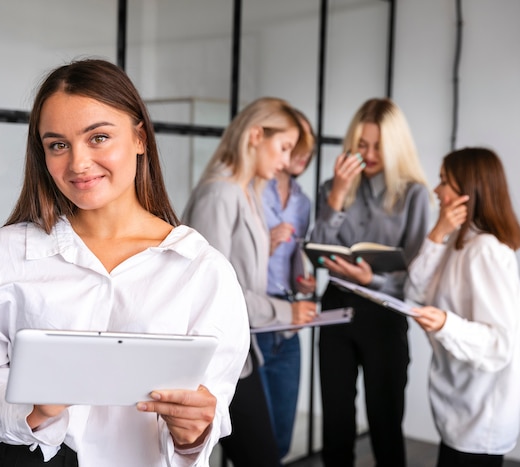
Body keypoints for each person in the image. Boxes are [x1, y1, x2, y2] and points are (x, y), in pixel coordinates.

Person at [0, 58, 250, 467]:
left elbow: (210, 412)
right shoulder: (8, 252)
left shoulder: (201, 269)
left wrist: (193, 432)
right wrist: (35, 410)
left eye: (99, 137)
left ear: (140, 138)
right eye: (58, 145)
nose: (78, 164)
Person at [182, 97, 318, 466]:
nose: (287, 161)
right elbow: (215, 296)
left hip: (241, 353)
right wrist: (286, 311)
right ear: (256, 135)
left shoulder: (247, 191)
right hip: (217, 359)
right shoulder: (220, 193)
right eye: (284, 147)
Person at [309, 97, 430, 467]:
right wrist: (338, 195)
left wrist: (372, 279)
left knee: (385, 419)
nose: (369, 153)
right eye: (362, 144)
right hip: (337, 306)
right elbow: (320, 246)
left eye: (378, 145)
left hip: (385, 312)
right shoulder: (334, 186)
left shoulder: (413, 194)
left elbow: (417, 272)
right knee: (337, 420)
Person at [404, 147, 520, 467]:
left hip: (480, 415)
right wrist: (437, 233)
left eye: (444, 181)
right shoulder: (459, 241)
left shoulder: (486, 251)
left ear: (468, 193)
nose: (436, 189)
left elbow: (500, 344)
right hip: (458, 409)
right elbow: (414, 290)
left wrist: (445, 323)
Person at [258, 108, 317, 460]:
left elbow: (295, 258)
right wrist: (267, 241)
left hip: (289, 317)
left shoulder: (302, 202)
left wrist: (303, 281)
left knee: (281, 435)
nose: (303, 155)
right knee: (254, 438)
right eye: (296, 145)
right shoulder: (250, 191)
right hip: (255, 315)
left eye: (306, 149)